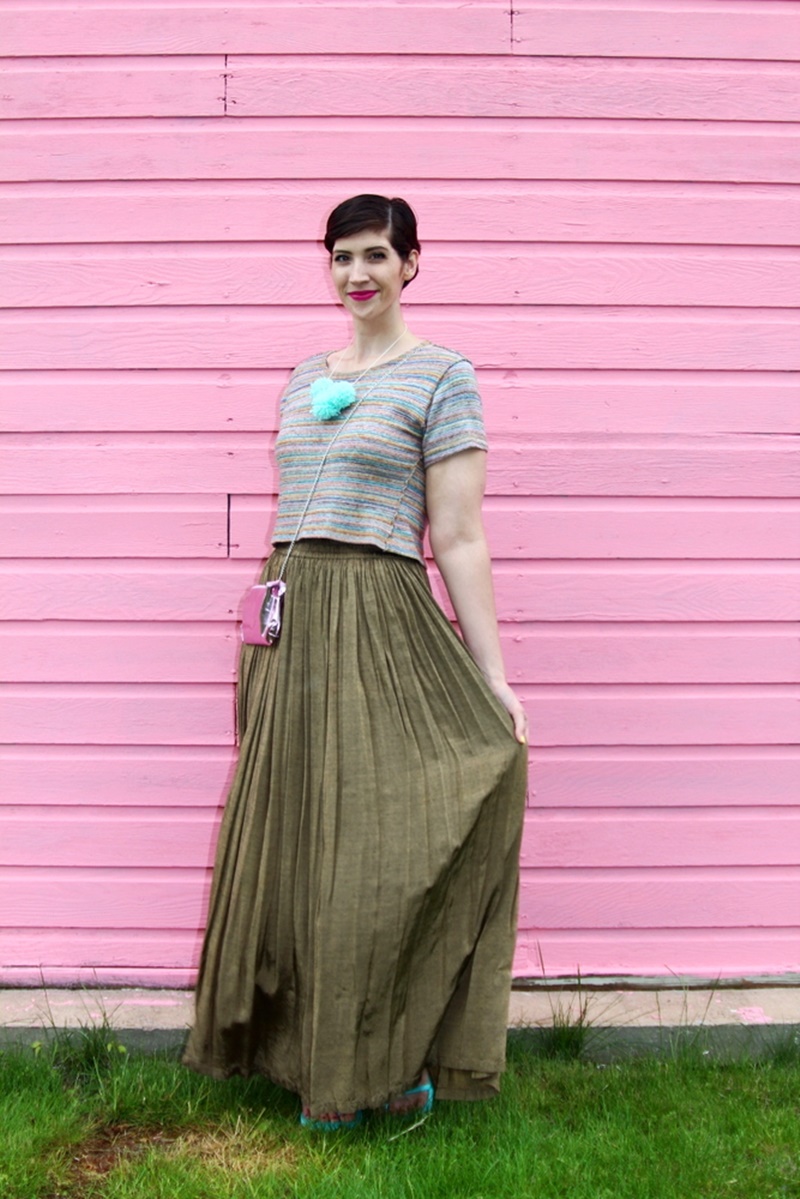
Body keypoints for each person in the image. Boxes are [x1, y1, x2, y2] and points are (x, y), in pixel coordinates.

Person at [183, 194, 528, 1129]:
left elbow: (458, 535)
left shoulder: (444, 376)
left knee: (371, 849)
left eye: (376, 254)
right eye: (342, 257)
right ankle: (299, 1058)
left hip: (378, 615)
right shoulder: (304, 377)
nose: (357, 274)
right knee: (293, 844)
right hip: (290, 618)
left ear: (411, 262)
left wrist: (492, 674)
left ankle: (383, 1062)